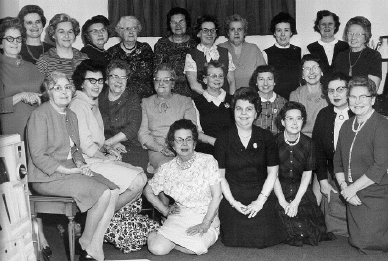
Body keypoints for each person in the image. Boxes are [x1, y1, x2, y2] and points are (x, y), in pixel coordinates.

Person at [27, 71, 119, 261]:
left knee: (114, 191)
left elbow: (76, 148)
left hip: (71, 170)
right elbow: (38, 156)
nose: (64, 92)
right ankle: (87, 244)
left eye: (67, 87)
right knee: (103, 193)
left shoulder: (71, 114)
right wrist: (66, 170)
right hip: (47, 176)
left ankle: (90, 242)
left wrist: (80, 164)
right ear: (48, 91)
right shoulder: (39, 115)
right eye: (57, 88)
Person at [69, 59, 146, 213]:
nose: (97, 84)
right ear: (81, 83)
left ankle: (101, 218)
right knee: (138, 181)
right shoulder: (79, 105)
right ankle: (96, 218)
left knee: (141, 177)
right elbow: (87, 146)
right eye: (91, 81)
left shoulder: (91, 103)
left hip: (95, 157)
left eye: (99, 80)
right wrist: (105, 157)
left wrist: (108, 147)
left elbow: (97, 138)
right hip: (86, 162)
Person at [214, 87, 286, 248]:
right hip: (233, 195)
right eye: (239, 109)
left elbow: (273, 173)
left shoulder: (266, 137)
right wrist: (233, 202)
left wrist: (260, 201)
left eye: (249, 109)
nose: (243, 114)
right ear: (233, 112)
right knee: (234, 238)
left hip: (261, 193)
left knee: (264, 237)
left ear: (256, 112)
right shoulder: (223, 138)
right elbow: (220, 176)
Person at [0, 16, 47, 258]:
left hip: (35, 127)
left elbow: (42, 95)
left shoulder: (31, 66)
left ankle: (37, 234)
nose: (15, 43)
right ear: (1, 42)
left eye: (18, 39)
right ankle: (28, 237)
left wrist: (36, 97)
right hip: (11, 130)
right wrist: (20, 96)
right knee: (18, 182)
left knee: (32, 179)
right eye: (9, 39)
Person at [145, 119, 222, 255]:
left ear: (194, 143)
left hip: (205, 217)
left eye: (188, 139)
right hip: (179, 217)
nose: (184, 144)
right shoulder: (166, 168)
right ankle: (160, 235)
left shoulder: (208, 161)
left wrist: (205, 223)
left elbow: (217, 196)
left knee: (196, 248)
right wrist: (164, 210)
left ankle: (171, 239)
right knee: (157, 249)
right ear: (173, 144)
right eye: (179, 140)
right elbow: (148, 191)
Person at [334, 76, 388, 254]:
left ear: (373, 99)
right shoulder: (346, 125)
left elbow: (380, 166)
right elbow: (337, 162)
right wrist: (345, 188)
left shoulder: (382, 125)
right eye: (352, 97)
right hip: (352, 193)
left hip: (376, 192)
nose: (357, 102)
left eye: (363, 97)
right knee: (357, 242)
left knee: (368, 244)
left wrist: (352, 189)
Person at [273, 101, 333, 247]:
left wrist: (295, 202)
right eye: (290, 118)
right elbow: (272, 175)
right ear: (282, 121)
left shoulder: (309, 143)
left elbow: (307, 176)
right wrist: (282, 201)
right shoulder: (274, 142)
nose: (295, 123)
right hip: (277, 189)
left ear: (303, 121)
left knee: (307, 230)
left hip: (301, 191)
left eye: (299, 118)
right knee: (283, 227)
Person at [312, 72, 353, 237]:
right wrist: (322, 180)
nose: (335, 94)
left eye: (340, 89)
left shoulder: (359, 113)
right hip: (332, 171)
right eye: (331, 91)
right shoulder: (324, 115)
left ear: (349, 91)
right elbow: (319, 151)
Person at [138, 63, 197, 170]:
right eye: (157, 79)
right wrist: (161, 148)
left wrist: (178, 148)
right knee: (169, 168)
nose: (161, 83)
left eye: (166, 80)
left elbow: (191, 130)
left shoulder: (185, 101)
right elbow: (143, 134)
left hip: (183, 148)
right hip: (158, 150)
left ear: (173, 84)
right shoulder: (146, 103)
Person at [99, 59, 148, 172]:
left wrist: (110, 142)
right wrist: (108, 145)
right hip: (104, 147)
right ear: (107, 79)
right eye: (115, 76)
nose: (119, 81)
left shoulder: (132, 98)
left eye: (123, 77)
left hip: (130, 147)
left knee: (135, 175)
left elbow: (133, 127)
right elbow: (94, 128)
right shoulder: (99, 99)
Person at [184, 14, 236, 96]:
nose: (209, 33)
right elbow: (193, 85)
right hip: (202, 101)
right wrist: (212, 99)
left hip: (224, 101)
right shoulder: (191, 55)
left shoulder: (225, 53)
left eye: (212, 30)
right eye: (205, 30)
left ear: (216, 34)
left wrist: (231, 99)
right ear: (198, 33)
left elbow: (231, 81)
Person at [153, 7, 197, 97]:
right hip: (169, 91)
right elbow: (158, 73)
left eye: (181, 22)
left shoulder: (195, 44)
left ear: (187, 23)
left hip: (193, 90)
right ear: (169, 25)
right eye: (174, 22)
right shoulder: (162, 44)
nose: (178, 26)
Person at [108, 16, 154, 99]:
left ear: (138, 31)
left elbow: (154, 73)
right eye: (127, 28)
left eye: (134, 28)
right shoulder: (112, 52)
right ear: (120, 32)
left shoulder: (146, 49)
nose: (131, 32)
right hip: (122, 99)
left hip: (146, 99)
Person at [193, 61, 233, 155]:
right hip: (207, 149)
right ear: (205, 80)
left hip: (231, 147)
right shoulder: (196, 102)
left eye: (220, 76)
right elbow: (196, 133)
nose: (217, 79)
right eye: (213, 76)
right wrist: (217, 143)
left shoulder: (232, 100)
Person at [219, 14, 266, 89]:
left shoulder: (254, 49)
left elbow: (264, 75)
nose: (236, 33)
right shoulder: (220, 49)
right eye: (232, 29)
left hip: (251, 96)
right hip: (226, 96)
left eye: (240, 29)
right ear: (228, 33)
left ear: (244, 32)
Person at [333, 16, 382, 87]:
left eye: (358, 34)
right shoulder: (341, 56)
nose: (353, 37)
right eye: (350, 33)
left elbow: (373, 87)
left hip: (363, 96)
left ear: (366, 37)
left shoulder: (373, 55)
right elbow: (335, 84)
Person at [36, 13, 88, 79]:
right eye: (61, 32)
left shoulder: (84, 59)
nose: (67, 35)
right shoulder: (44, 61)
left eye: (70, 32)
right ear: (53, 35)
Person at [263, 12, 301, 100]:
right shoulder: (266, 53)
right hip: (275, 100)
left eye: (286, 30)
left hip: (295, 98)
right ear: (274, 33)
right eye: (279, 30)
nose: (283, 34)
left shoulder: (299, 51)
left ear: (291, 32)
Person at [289, 54, 328, 137]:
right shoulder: (296, 95)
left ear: (321, 71)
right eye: (307, 69)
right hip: (301, 139)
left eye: (315, 68)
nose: (311, 72)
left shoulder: (329, 93)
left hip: (325, 138)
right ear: (302, 75)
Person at [306, 10, 349, 75]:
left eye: (330, 24)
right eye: (323, 24)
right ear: (318, 26)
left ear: (335, 26)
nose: (327, 27)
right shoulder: (310, 48)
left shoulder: (346, 46)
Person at [250, 65, 287, 135]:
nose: (265, 83)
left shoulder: (283, 103)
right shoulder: (250, 101)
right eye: (261, 79)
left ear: (274, 81)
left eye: (269, 79)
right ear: (256, 82)